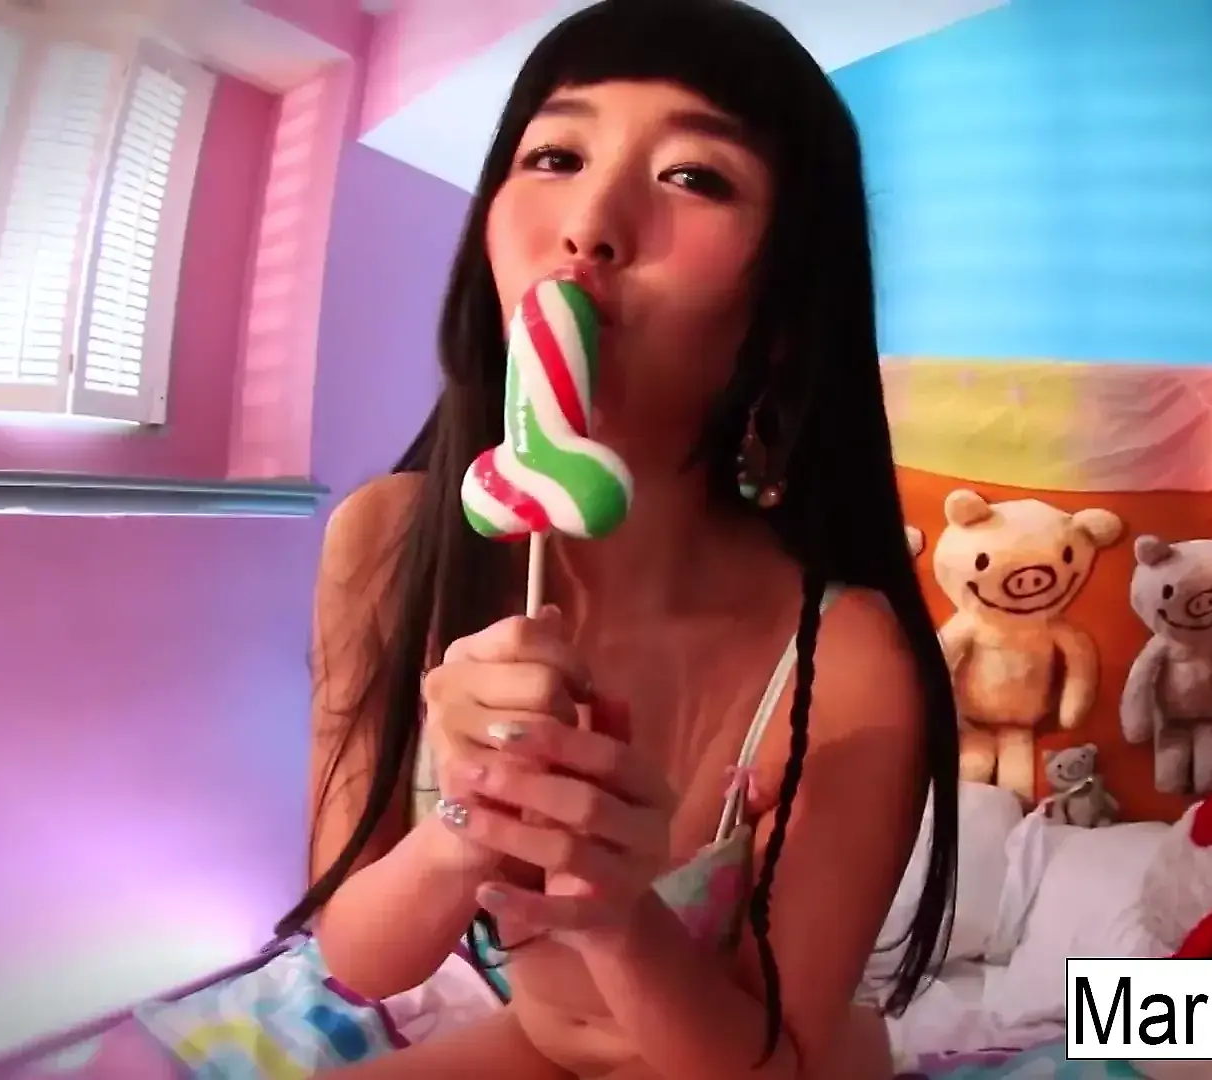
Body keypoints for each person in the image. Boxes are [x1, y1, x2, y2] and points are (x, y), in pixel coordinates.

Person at [278, 1, 961, 1076]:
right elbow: (361, 955)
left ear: (785, 315)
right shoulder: (388, 542)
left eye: (694, 176)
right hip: (543, 1042)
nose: (590, 222)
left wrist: (613, 909)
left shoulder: (846, 655)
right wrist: (467, 823)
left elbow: (773, 1062)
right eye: (554, 156)